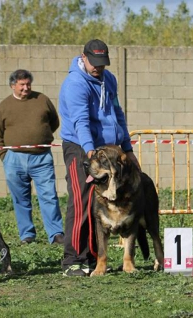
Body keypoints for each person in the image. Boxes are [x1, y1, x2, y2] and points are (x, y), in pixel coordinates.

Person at [58, 39, 140, 276]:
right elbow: (80, 121)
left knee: (99, 203)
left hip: (108, 150)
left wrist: (127, 148)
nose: (98, 68)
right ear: (82, 57)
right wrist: (90, 152)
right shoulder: (75, 84)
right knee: (81, 200)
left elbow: (117, 113)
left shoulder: (109, 79)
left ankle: (94, 258)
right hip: (80, 148)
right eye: (94, 63)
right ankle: (73, 260)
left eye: (102, 63)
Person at [0, 69, 64, 245]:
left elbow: (54, 122)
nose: (26, 88)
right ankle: (27, 235)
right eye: (22, 85)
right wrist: (4, 155)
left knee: (49, 196)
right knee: (21, 199)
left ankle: (55, 234)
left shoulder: (42, 100)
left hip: (41, 157)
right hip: (14, 159)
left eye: (28, 84)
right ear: (13, 86)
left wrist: (41, 137)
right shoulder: (4, 106)